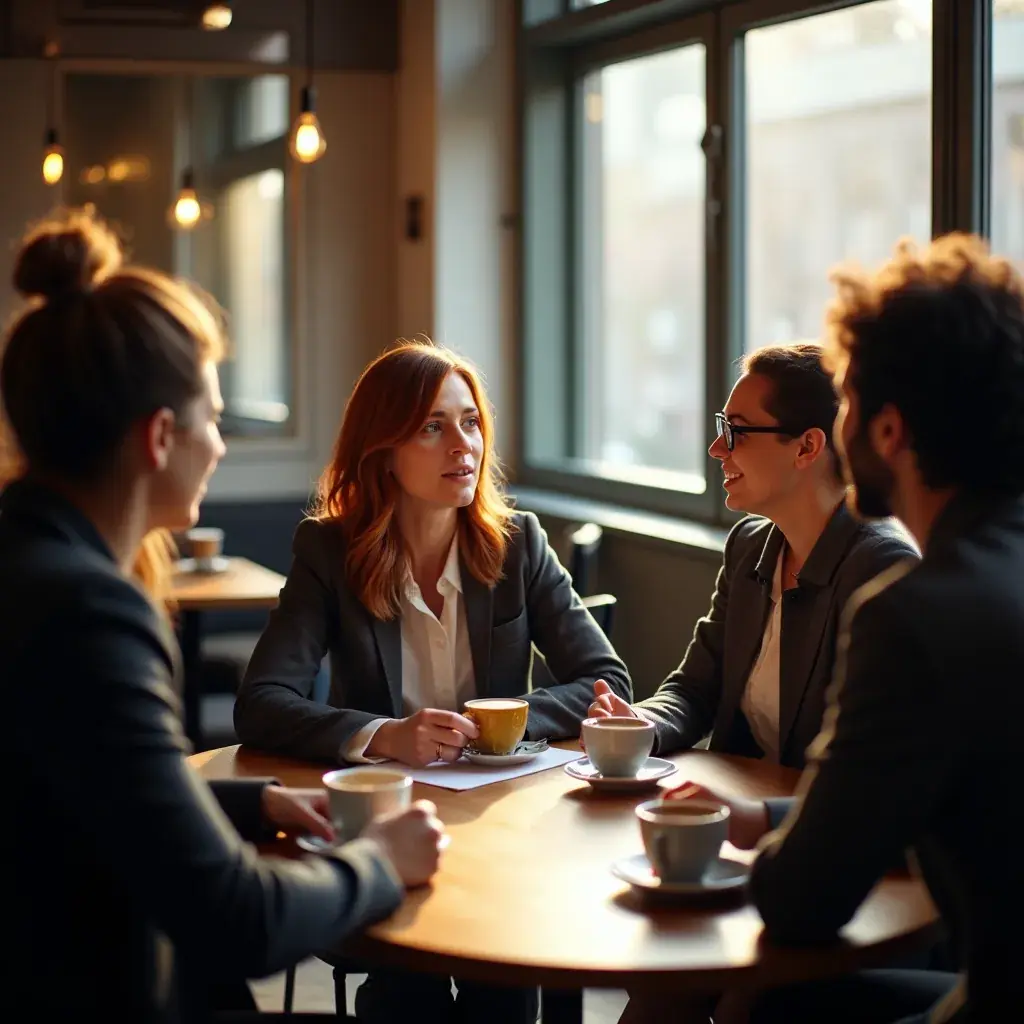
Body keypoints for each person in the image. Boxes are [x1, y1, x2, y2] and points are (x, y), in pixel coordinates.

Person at [0, 209, 446, 1022]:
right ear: (160, 437)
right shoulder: (87, 613)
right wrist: (378, 862)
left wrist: (252, 802)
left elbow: (90, 792)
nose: (221, 444)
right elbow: (237, 919)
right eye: (211, 417)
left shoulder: (27, 559)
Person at [672, 233, 1024, 1023]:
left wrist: (750, 852)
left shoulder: (915, 612)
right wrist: (766, 816)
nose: (839, 426)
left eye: (852, 403)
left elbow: (803, 899)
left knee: (758, 1000)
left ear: (889, 431)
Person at [233, 339, 631, 1023]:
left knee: (502, 984)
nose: (462, 445)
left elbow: (605, 676)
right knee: (403, 992)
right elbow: (263, 704)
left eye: (471, 422)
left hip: (504, 828)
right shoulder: (328, 553)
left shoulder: (517, 544)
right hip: (388, 825)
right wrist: (385, 736)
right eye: (433, 426)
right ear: (383, 449)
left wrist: (503, 719)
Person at [587, 342, 915, 768]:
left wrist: (756, 817)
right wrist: (640, 722)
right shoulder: (750, 545)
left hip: (804, 823)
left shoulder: (881, 567)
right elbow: (694, 690)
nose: (716, 450)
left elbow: (869, 767)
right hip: (738, 802)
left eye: (735, 432)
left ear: (806, 448)